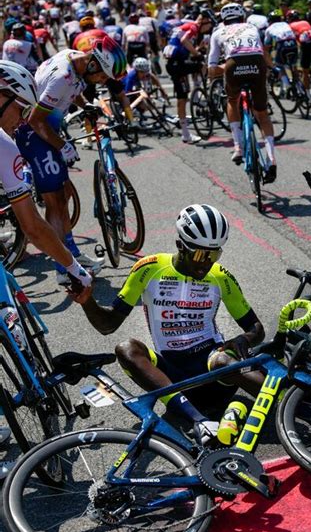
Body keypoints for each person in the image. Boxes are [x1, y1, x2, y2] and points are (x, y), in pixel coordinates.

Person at [72, 204, 265, 444]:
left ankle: (302, 408)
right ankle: (198, 421)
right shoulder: (149, 269)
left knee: (223, 359)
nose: (206, 263)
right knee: (126, 348)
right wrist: (87, 302)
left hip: (215, 370)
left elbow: (256, 329)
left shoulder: (220, 277)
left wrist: (241, 340)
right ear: (180, 246)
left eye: (213, 255)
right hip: (170, 376)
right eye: (199, 254)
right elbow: (108, 325)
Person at [0, 60, 92, 478]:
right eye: (19, 107)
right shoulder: (4, 144)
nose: (23, 118)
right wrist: (73, 266)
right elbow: (34, 228)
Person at [15, 37, 127, 285]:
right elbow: (36, 121)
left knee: (64, 196)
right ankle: (63, 268)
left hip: (46, 131)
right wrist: (63, 146)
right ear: (93, 64)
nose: (103, 82)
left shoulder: (73, 57)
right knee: (55, 202)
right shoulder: (61, 77)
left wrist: (85, 104)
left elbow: (74, 89)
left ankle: (71, 255)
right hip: (34, 134)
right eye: (102, 76)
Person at [208, 3, 277, 181]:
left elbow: (212, 66)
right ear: (242, 17)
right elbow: (262, 51)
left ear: (223, 19)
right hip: (257, 63)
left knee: (232, 101)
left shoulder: (218, 32)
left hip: (234, 65)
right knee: (262, 113)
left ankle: (238, 146)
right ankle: (272, 160)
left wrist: (221, 70)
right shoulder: (252, 27)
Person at [164, 10, 214, 144]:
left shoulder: (189, 27)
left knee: (183, 98)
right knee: (202, 65)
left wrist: (197, 49)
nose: (209, 29)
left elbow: (184, 45)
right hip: (177, 64)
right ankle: (206, 87)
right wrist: (197, 53)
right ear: (204, 22)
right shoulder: (194, 26)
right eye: (209, 25)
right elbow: (184, 40)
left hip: (175, 62)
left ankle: (200, 89)